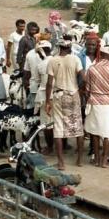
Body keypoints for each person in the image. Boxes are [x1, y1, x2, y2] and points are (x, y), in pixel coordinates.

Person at [45, 39, 84, 170]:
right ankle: (79, 160)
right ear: (70, 47)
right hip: (73, 94)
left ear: (59, 47)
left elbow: (49, 83)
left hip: (58, 96)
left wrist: (47, 101)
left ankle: (61, 163)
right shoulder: (75, 59)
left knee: (59, 129)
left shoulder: (52, 60)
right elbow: (82, 77)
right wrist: (79, 89)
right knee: (77, 127)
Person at [84, 42, 109, 168]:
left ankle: (96, 159)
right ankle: (104, 161)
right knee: (107, 133)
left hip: (94, 102)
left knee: (94, 132)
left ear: (101, 54)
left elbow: (87, 89)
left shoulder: (92, 69)